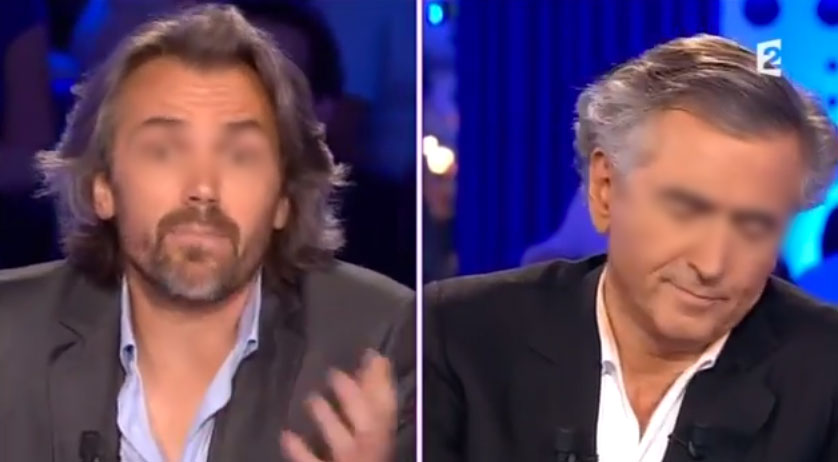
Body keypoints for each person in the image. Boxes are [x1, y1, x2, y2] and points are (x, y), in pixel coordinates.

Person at [0, 5, 414, 462]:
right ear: (103, 188)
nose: (203, 188)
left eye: (240, 156)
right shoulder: (9, 340)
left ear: (284, 198)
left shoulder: (382, 340)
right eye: (164, 151)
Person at [425, 34, 838, 462]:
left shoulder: (827, 376)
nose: (712, 264)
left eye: (755, 227)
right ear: (605, 189)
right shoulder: (455, 334)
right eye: (686, 211)